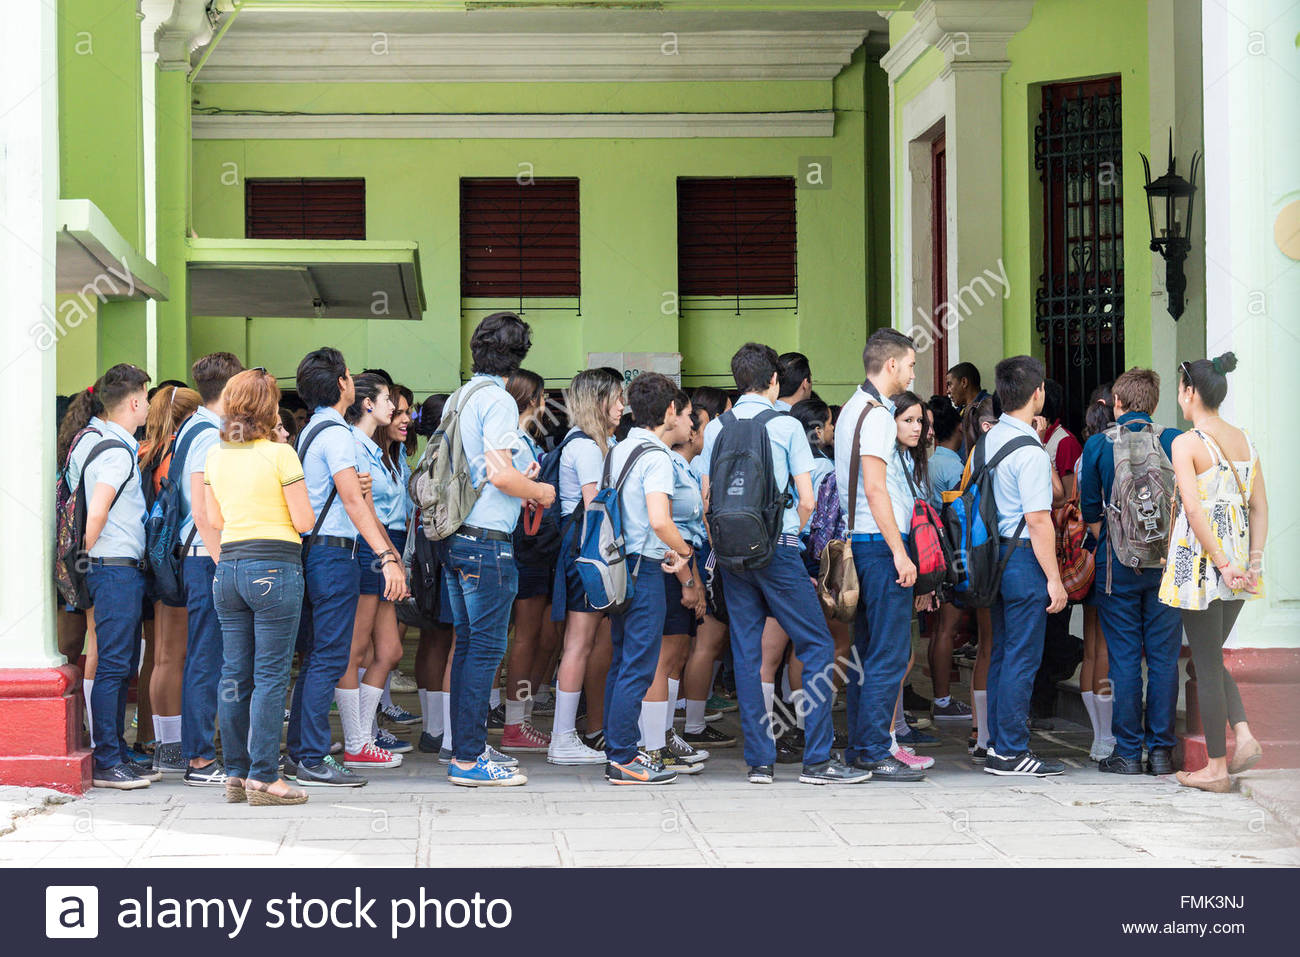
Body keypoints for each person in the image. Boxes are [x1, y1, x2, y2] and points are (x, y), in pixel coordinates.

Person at [701, 342, 867, 786]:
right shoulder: (787, 426)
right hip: (779, 549)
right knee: (814, 646)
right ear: (775, 380)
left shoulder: (717, 427)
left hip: (733, 554)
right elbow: (808, 498)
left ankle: (759, 761)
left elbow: (707, 498)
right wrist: (788, 530)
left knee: (749, 652)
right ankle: (816, 760)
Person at [443, 312, 555, 787]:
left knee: (469, 649)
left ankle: (466, 747)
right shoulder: (499, 401)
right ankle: (468, 760)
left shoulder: (459, 396)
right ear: (518, 357)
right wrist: (542, 493)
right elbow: (500, 474)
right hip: (487, 542)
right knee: (485, 651)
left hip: (456, 535)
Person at [287, 348, 407, 788]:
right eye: (349, 375)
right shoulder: (336, 435)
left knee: (317, 656)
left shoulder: (310, 431)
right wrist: (387, 556)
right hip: (332, 555)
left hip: (313, 552)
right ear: (341, 385)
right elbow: (353, 502)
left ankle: (301, 753)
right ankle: (314, 758)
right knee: (329, 656)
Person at [205, 369, 316, 806]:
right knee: (270, 676)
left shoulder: (216, 457)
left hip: (228, 567)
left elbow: (214, 520)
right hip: (275, 566)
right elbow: (304, 521)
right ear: (270, 409)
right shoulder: (280, 454)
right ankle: (265, 777)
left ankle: (235, 773)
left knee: (234, 674)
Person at [1162, 354, 1268, 793]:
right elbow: (1260, 506)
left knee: (1205, 662)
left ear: (1190, 392)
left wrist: (1220, 563)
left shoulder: (1186, 443)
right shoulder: (1245, 439)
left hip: (1205, 566)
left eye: (1180, 388)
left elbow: (1192, 508)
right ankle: (1242, 735)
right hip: (1242, 567)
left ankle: (1217, 767)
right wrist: (1251, 561)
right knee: (1211, 653)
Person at [1078, 368, 1182, 776]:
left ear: (1116, 403)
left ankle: (1126, 752)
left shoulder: (1098, 446)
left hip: (1115, 567)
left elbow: (1089, 511)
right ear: (1153, 404)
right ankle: (1160, 753)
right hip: (1166, 564)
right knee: (1163, 659)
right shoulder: (1173, 440)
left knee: (1122, 658)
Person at [832, 330, 926, 782]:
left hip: (865, 542)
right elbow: (874, 487)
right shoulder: (875, 417)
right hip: (879, 544)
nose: (912, 372)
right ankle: (872, 749)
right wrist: (899, 552)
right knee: (888, 652)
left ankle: (863, 746)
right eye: (909, 364)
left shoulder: (855, 408)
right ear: (891, 365)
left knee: (868, 652)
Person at [599, 374, 702, 784]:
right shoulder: (657, 457)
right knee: (639, 666)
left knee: (622, 660)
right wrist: (687, 552)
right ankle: (624, 756)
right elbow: (660, 521)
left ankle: (614, 748)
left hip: (618, 568)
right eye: (684, 412)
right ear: (670, 412)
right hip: (644, 569)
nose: (688, 422)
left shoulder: (619, 449)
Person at [62, 364, 158, 790]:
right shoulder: (117, 452)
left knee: (113, 664)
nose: (150, 407)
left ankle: (115, 752)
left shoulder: (88, 438)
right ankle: (107, 761)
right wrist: (90, 554)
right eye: (148, 399)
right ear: (135, 401)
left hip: (103, 568)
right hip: (114, 567)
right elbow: (97, 509)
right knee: (116, 666)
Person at [982, 356, 1068, 777]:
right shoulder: (1031, 451)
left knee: (1002, 651)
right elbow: (1038, 519)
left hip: (992, 555)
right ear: (1038, 394)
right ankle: (1012, 749)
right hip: (1022, 559)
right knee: (1022, 656)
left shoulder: (991, 437)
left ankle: (997, 744)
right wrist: (1055, 579)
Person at [547, 368, 626, 765]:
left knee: (585, 643)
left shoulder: (583, 443)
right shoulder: (588, 448)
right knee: (578, 644)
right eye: (616, 398)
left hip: (580, 552)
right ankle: (562, 738)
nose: (622, 406)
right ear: (597, 402)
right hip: (587, 555)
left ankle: (572, 732)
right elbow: (599, 509)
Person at [175, 352, 244, 786]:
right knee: (206, 658)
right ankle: (199, 759)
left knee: (207, 657)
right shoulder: (208, 434)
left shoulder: (193, 427)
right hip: (206, 556)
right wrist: (224, 563)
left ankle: (202, 751)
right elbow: (201, 509)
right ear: (232, 386)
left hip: (200, 556)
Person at [336, 373, 406, 770]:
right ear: (367, 403)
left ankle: (362, 736)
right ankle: (357, 741)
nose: (393, 408)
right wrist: (387, 556)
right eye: (386, 399)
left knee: (391, 650)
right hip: (364, 551)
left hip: (381, 549)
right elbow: (362, 508)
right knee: (355, 650)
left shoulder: (373, 449)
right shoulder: (352, 444)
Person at [137, 384, 201, 772]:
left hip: (152, 559)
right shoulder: (181, 451)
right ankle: (176, 746)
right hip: (178, 559)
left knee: (162, 657)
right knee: (179, 656)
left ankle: (162, 743)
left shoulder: (144, 450)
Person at [501, 369, 554, 754]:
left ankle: (515, 720)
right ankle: (515, 724)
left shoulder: (516, 440)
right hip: (524, 544)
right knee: (526, 637)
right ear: (533, 399)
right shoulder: (516, 442)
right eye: (543, 397)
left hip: (518, 543)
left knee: (519, 637)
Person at [923, 396, 971, 723]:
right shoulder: (953, 465)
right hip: (952, 549)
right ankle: (942, 700)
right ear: (959, 427)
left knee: (940, 627)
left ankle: (939, 696)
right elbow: (963, 509)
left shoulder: (931, 462)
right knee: (948, 627)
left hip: (934, 549)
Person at [1078, 384, 1116, 760]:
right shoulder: (1115, 448)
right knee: (1104, 648)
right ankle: (1106, 736)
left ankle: (1097, 735)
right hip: (1110, 555)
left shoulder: (1086, 452)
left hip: (1087, 556)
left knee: (1091, 649)